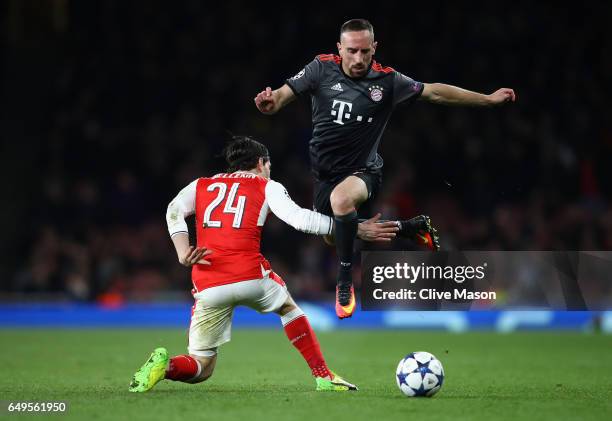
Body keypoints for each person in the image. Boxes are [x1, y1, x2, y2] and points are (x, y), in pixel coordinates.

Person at [254, 18, 516, 319]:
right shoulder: (320, 68)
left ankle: (344, 282)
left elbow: (435, 92)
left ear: (374, 48)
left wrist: (486, 99)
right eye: (352, 51)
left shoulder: (387, 81)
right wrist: (270, 101)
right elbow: (281, 97)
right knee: (332, 233)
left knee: (342, 204)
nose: (359, 58)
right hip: (324, 177)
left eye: (365, 51)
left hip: (364, 172)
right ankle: (407, 228)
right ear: (339, 49)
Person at [128, 136, 399, 393]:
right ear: (261, 163)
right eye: (268, 165)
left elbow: (173, 210)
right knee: (288, 308)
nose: (269, 170)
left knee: (201, 366)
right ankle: (324, 376)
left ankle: (167, 366)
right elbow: (301, 220)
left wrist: (182, 251)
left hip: (208, 281)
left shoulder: (201, 185)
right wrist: (354, 228)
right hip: (249, 274)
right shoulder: (267, 186)